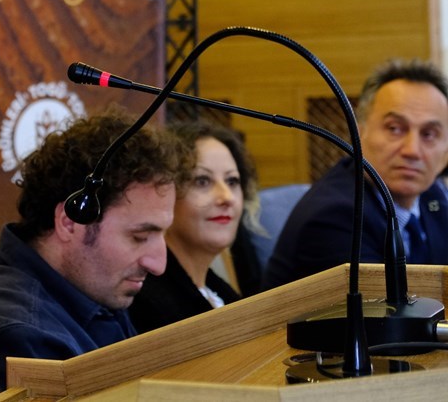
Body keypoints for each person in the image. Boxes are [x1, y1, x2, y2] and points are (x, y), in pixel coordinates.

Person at [0, 106, 193, 402]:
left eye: (163, 234)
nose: (159, 264)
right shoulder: (16, 338)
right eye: (140, 237)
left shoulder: (94, 286)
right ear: (70, 223)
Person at [263, 58, 448, 289]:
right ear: (359, 133)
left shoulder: (433, 193)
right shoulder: (333, 217)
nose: (412, 150)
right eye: (394, 128)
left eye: (429, 134)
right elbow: (391, 308)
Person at [128, 121, 262, 332]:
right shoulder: (148, 303)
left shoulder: (217, 290)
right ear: (164, 194)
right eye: (202, 181)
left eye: (232, 181)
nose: (227, 197)